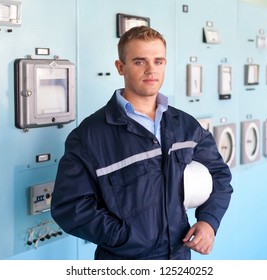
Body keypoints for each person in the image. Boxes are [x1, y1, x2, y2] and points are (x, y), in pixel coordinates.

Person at [51, 26, 233, 260]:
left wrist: (209, 221)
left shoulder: (185, 126)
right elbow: (70, 207)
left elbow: (219, 174)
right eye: (139, 61)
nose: (151, 70)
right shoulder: (89, 136)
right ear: (120, 67)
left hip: (178, 256)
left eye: (158, 61)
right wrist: (126, 237)